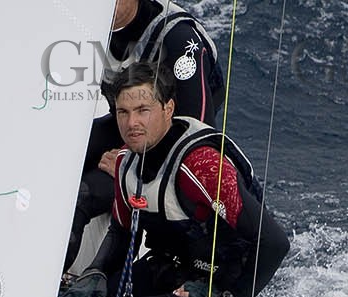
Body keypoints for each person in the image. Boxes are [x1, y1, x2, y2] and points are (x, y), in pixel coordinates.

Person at [48, 62, 290, 297]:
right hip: (166, 271)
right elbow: (121, 231)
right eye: (123, 112)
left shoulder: (202, 167)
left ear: (168, 108)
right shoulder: (127, 164)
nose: (131, 123)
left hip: (213, 295)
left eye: (143, 110)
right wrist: (96, 273)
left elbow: (274, 242)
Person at [66, 0, 229, 267]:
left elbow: (198, 138)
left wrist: (127, 161)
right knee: (63, 156)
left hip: (174, 152)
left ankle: (49, 294)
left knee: (83, 194)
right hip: (125, 129)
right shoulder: (85, 23)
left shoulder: (178, 39)